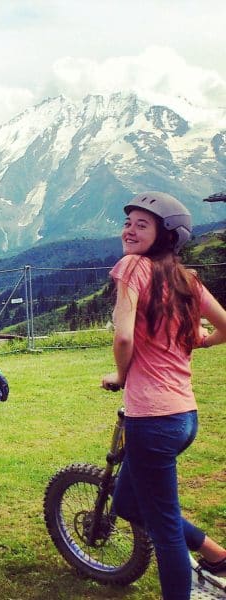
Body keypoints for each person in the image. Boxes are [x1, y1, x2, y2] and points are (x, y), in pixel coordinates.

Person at [101, 191, 226, 599]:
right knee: (128, 504)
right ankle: (215, 555)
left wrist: (121, 377)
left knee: (165, 529)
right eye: (128, 222)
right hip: (184, 417)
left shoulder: (131, 267)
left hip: (152, 420)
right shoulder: (186, 279)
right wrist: (200, 341)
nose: (130, 230)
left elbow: (123, 336)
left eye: (142, 224)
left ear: (166, 235)